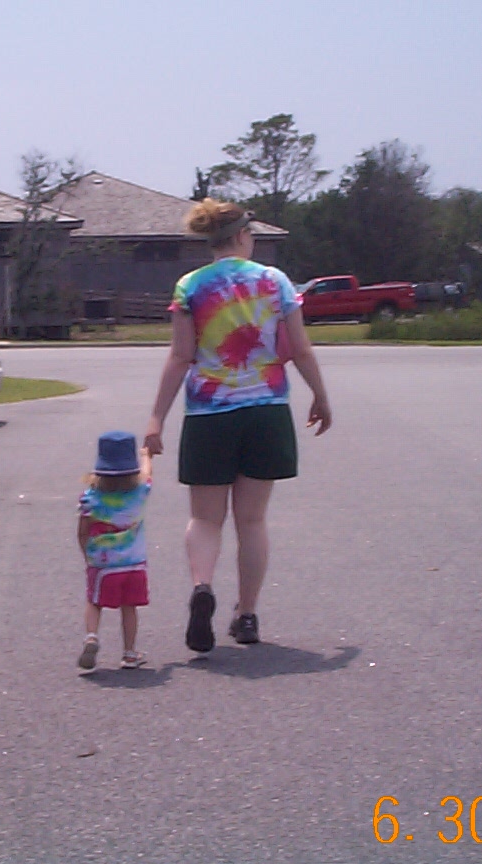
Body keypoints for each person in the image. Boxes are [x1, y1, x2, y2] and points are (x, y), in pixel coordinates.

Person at [143, 199, 332, 653]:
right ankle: (246, 615)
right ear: (245, 235)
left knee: (205, 519)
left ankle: (202, 586)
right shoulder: (275, 281)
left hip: (209, 414)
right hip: (266, 412)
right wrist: (320, 396)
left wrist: (156, 419)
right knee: (252, 520)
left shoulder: (191, 285)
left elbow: (181, 356)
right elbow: (300, 349)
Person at [77, 431, 152, 670]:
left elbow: (82, 532)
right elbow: (147, 473)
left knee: (94, 601)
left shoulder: (90, 499)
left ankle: (91, 637)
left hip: (103, 563)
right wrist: (146, 455)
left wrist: (87, 555)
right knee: (129, 607)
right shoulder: (140, 493)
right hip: (134, 564)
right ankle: (129, 653)